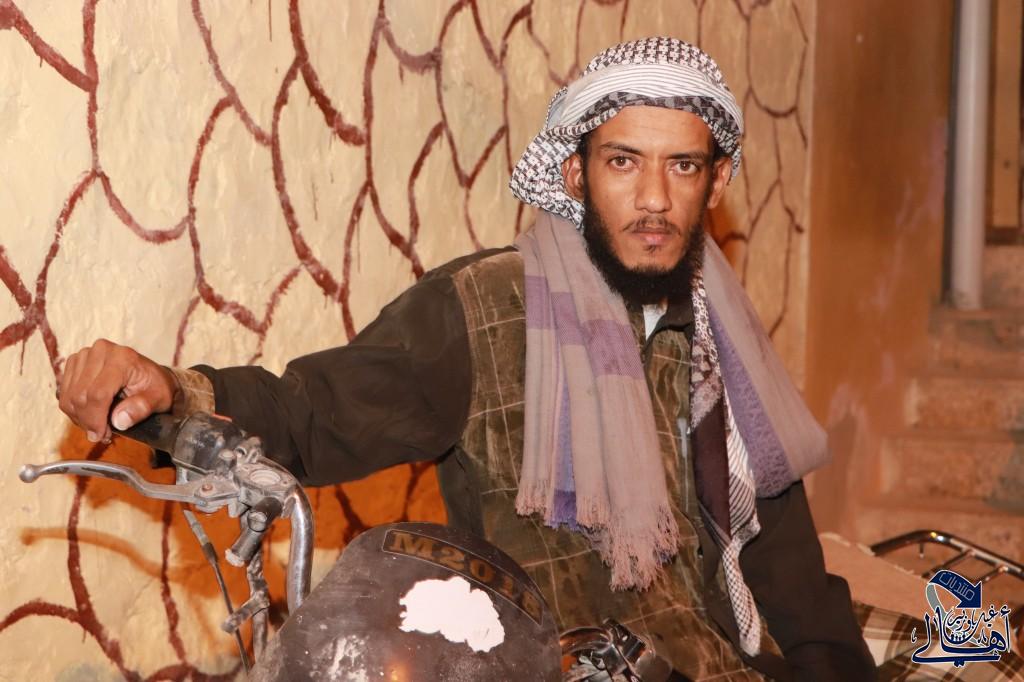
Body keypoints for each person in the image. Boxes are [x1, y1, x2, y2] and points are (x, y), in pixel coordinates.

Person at [58, 38, 875, 680]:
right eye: (623, 161)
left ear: (716, 181)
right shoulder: (486, 309)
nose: (654, 198)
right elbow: (312, 413)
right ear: (576, 173)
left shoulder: (719, 334)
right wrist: (171, 394)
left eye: (683, 165)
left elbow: (786, 563)